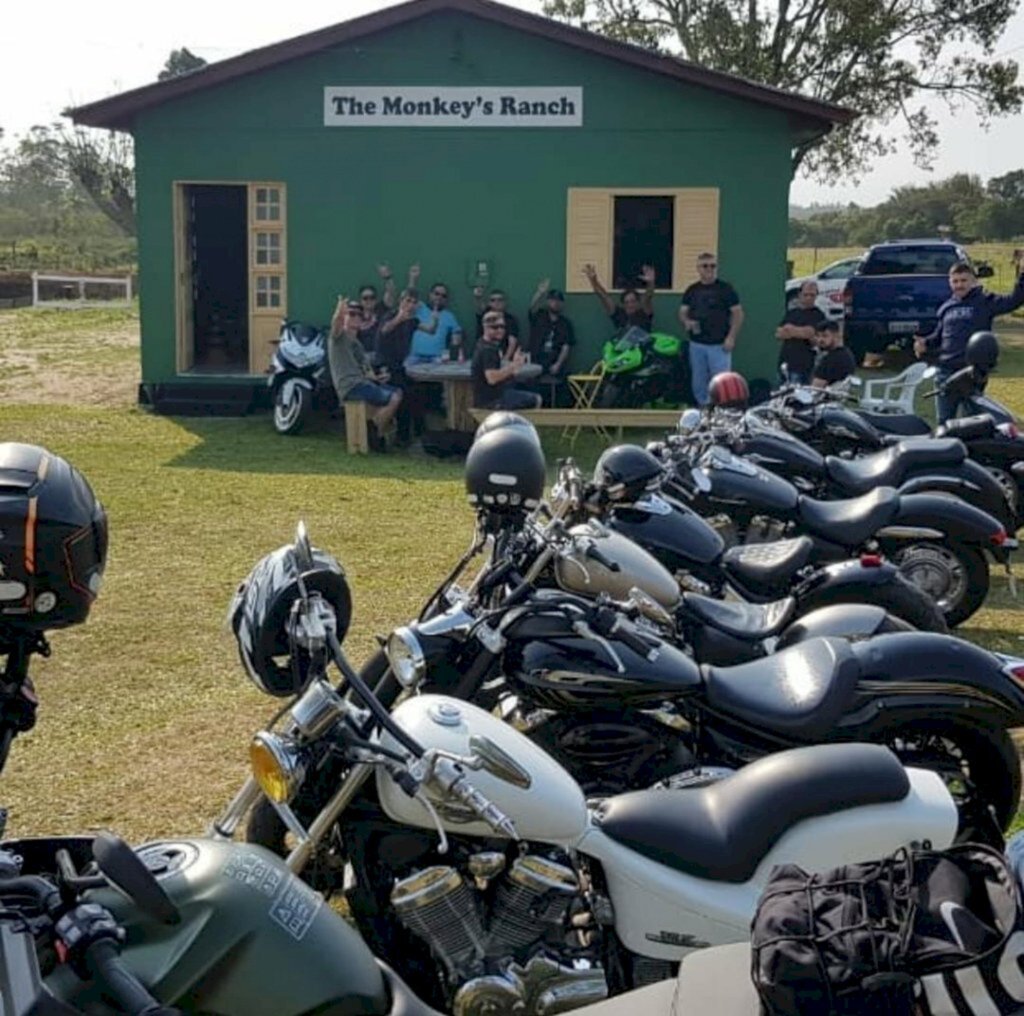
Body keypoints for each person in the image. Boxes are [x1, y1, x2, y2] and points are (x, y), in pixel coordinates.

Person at [914, 260, 1024, 423]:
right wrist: (924, 343)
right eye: (955, 281)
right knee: (944, 422)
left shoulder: (986, 301)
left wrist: (1022, 276)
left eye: (964, 280)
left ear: (974, 281)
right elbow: (939, 336)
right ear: (950, 283)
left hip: (971, 374)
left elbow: (1014, 300)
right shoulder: (947, 307)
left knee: (972, 422)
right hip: (945, 373)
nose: (959, 285)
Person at [328, 296, 402, 452]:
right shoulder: (338, 338)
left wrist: (378, 379)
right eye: (351, 314)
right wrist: (339, 310)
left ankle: (374, 430)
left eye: (358, 315)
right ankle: (374, 432)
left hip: (363, 384)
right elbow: (335, 325)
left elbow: (367, 371)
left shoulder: (358, 345)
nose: (355, 317)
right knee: (394, 398)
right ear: (345, 317)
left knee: (397, 392)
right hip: (350, 386)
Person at [679, 253, 744, 407]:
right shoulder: (692, 290)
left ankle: (722, 414)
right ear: (698, 268)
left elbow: (738, 314)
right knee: (699, 383)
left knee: (722, 383)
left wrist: (731, 337)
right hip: (697, 345)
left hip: (720, 345)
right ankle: (703, 413)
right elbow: (682, 312)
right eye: (705, 266)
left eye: (713, 265)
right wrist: (687, 322)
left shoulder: (726, 289)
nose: (709, 269)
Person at [377, 287, 425, 445]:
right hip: (385, 367)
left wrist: (435, 318)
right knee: (404, 395)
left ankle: (421, 436)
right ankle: (402, 438)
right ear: (401, 301)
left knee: (418, 392)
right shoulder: (391, 316)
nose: (410, 305)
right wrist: (399, 317)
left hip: (399, 366)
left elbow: (430, 329)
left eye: (413, 302)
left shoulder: (412, 321)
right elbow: (385, 330)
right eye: (407, 301)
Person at [472, 311, 543, 411]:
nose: (500, 330)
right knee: (537, 399)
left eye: (502, 327)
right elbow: (492, 378)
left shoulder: (483, 344)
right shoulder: (488, 350)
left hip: (492, 396)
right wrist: (513, 366)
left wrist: (514, 367)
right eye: (495, 327)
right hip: (493, 401)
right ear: (485, 328)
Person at [527, 279, 576, 402]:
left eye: (558, 301)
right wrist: (540, 293)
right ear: (548, 301)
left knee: (565, 384)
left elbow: (566, 346)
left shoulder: (565, 324)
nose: (556, 303)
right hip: (535, 360)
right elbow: (531, 308)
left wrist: (558, 364)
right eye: (553, 300)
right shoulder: (540, 316)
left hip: (553, 362)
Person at [406, 270, 464, 365]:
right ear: (430, 294)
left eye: (443, 296)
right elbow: (409, 297)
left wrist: (457, 339)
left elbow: (457, 336)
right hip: (415, 356)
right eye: (436, 293)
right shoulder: (420, 307)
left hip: (437, 357)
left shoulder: (449, 316)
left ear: (446, 299)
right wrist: (412, 279)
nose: (439, 297)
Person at [776, 281, 825, 384]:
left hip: (803, 364)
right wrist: (798, 331)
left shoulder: (818, 315)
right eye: (806, 294)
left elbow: (810, 333)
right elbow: (779, 333)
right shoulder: (792, 313)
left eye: (812, 295)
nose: (809, 298)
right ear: (799, 295)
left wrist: (791, 329)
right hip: (785, 362)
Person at [583, 263, 655, 332]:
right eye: (627, 302)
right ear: (623, 304)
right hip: (623, 343)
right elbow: (603, 296)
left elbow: (648, 297)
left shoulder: (644, 313)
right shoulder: (619, 314)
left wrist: (650, 282)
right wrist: (593, 280)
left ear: (638, 303)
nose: (630, 305)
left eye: (633, 301)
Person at [354, 264, 398, 352]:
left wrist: (388, 278)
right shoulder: (355, 315)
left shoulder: (381, 309)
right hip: (364, 356)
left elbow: (391, 292)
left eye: (372, 297)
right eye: (365, 298)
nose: (369, 300)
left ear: (376, 299)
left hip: (382, 354)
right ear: (360, 301)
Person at [473, 287, 521, 356]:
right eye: (493, 300)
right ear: (489, 303)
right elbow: (479, 307)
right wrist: (477, 297)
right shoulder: (484, 316)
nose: (496, 302)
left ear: (505, 302)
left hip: (503, 357)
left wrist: (505, 360)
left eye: (500, 300)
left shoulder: (511, 320)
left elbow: (512, 342)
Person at [811, 320, 857, 388]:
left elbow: (816, 388)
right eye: (818, 336)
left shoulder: (831, 359)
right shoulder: (847, 354)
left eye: (825, 336)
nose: (820, 340)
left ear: (836, 336)